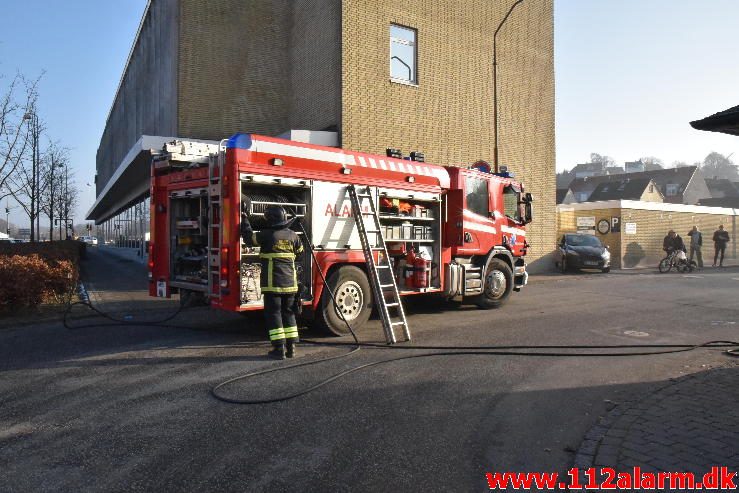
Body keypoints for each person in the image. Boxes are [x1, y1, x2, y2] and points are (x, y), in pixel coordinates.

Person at [241, 203, 304, 359]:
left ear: (270, 219)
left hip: (272, 285)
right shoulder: (293, 235)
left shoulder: (267, 235)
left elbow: (249, 239)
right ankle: (291, 348)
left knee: (274, 314)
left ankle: (278, 349)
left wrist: (244, 219)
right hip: (291, 285)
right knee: (289, 313)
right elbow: (300, 253)